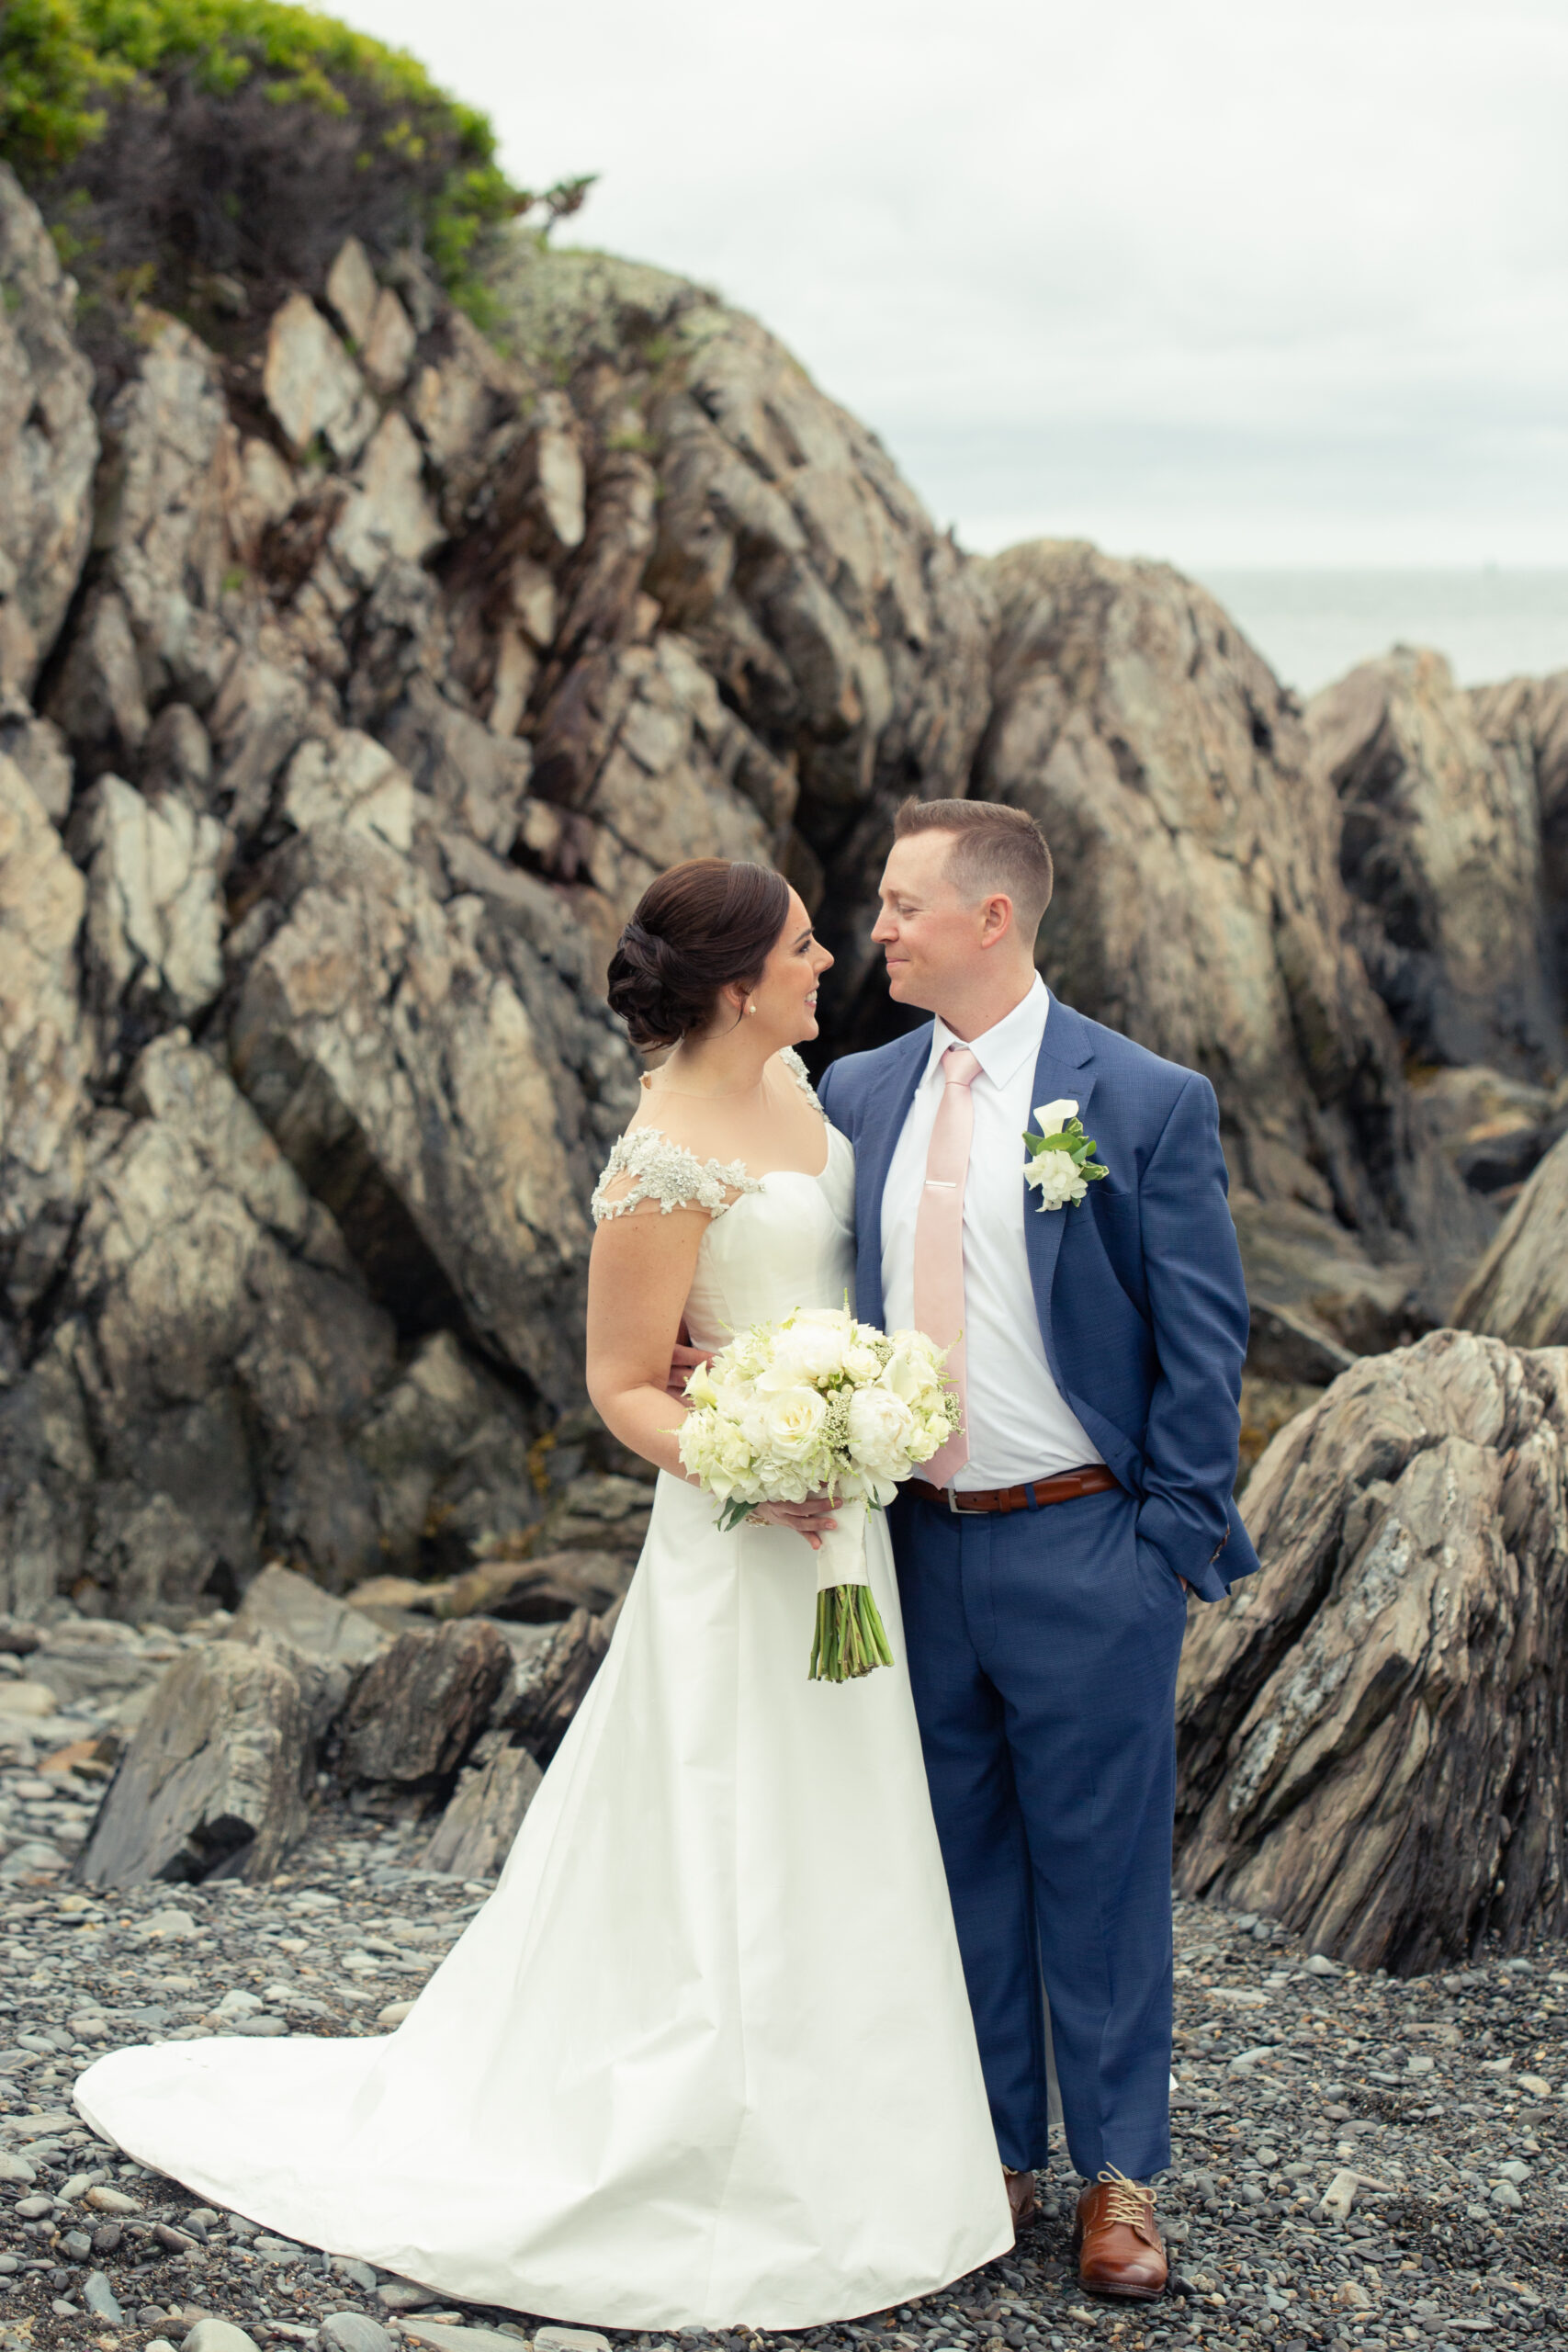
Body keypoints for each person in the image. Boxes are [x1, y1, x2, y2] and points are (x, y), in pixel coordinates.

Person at [74, 856, 1013, 2332]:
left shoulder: (809, 1103)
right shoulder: (663, 1149)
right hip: (742, 1536)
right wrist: (753, 1463)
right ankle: (694, 2142)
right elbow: (618, 1388)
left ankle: (866, 2148)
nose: (828, 957)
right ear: (730, 981)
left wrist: (858, 1421)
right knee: (727, 1816)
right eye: (801, 944)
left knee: (845, 1813)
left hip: (845, 1535)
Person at [815, 798, 1256, 2301]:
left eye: (901, 905)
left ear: (991, 919)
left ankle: (1121, 2178)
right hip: (912, 1553)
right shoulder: (860, 1089)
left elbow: (1206, 1342)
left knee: (1104, 1870)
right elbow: (810, 1282)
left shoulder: (1136, 1100)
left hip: (1088, 1548)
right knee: (959, 1866)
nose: (878, 927)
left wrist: (1170, 1545)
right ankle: (993, 2152)